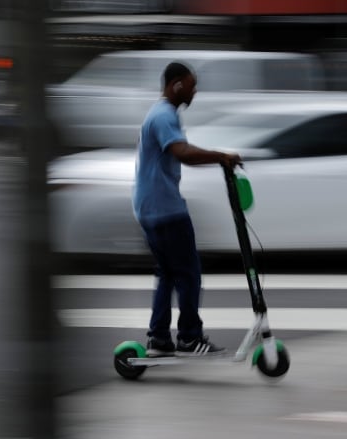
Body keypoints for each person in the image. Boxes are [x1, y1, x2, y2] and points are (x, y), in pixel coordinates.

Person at [132, 61, 241, 357]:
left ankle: (159, 338)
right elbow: (182, 153)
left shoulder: (159, 113)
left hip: (149, 206)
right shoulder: (164, 115)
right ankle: (190, 337)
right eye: (192, 85)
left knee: (167, 273)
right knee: (189, 273)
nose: (195, 91)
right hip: (165, 209)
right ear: (176, 84)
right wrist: (222, 157)